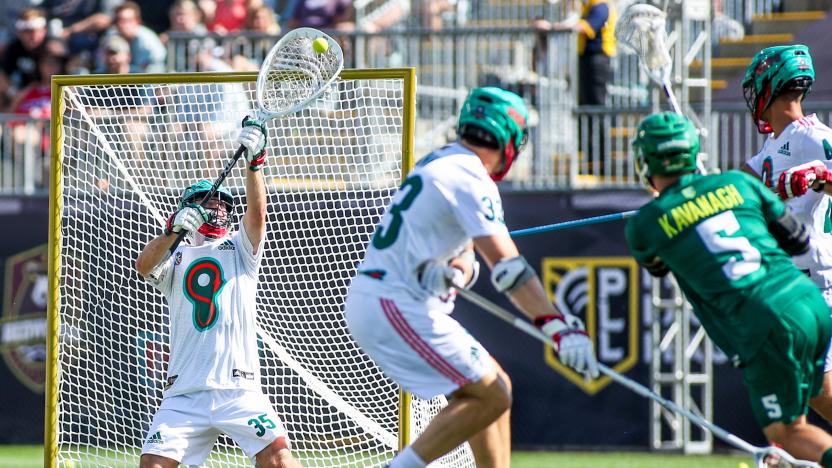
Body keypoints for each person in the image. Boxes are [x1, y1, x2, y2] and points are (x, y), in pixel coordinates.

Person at [344, 87, 598, 468]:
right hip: (393, 303)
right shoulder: (469, 176)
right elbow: (510, 269)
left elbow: (463, 245)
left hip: (392, 300)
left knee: (497, 388)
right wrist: (558, 327)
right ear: (510, 139)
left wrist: (459, 267)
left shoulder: (445, 161)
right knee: (490, 396)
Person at [626, 111, 832, 466]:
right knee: (806, 408)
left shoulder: (645, 224)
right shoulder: (739, 185)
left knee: (788, 432)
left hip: (765, 323)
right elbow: (797, 240)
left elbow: (659, 266)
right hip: (808, 300)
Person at [134, 118, 301, 468]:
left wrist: (255, 163)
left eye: (224, 204)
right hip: (184, 393)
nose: (219, 208)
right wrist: (171, 231)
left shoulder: (239, 250)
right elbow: (143, 265)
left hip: (238, 389)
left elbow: (257, 215)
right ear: (187, 207)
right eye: (209, 202)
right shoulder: (174, 254)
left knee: (279, 459)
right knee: (152, 465)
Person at [740, 45, 832, 423]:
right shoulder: (771, 145)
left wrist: (818, 176)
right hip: (791, 284)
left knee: (815, 388)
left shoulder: (813, 136)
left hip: (818, 283)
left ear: (769, 86)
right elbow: (736, 188)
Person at [98, 2, 167, 73]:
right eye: (118, 20)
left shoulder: (148, 41)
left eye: (126, 20)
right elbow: (100, 65)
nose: (121, 24)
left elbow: (155, 69)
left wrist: (124, 67)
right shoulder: (110, 36)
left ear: (137, 21)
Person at [1, 8, 49, 108]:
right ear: (19, 32)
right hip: (21, 96)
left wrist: (32, 90)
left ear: (44, 30)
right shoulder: (14, 48)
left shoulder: (52, 48)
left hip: (50, 96)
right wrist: (14, 93)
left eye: (36, 30)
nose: (33, 35)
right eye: (27, 31)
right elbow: (2, 75)